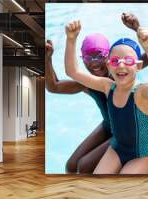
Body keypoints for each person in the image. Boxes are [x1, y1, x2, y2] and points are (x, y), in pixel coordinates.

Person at [64, 20, 148, 174]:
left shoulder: (141, 92)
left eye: (128, 61)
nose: (121, 65)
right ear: (108, 65)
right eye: (115, 61)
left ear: (139, 66)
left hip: (141, 155)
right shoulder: (108, 87)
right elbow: (72, 72)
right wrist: (71, 39)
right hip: (116, 150)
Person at [45, 36, 112, 174]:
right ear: (83, 59)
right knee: (71, 166)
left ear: (109, 55)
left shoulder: (121, 75)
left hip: (124, 132)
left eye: (99, 56)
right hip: (108, 125)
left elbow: (147, 57)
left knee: (84, 166)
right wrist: (47, 58)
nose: (94, 63)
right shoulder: (88, 83)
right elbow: (54, 87)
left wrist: (138, 29)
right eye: (89, 58)